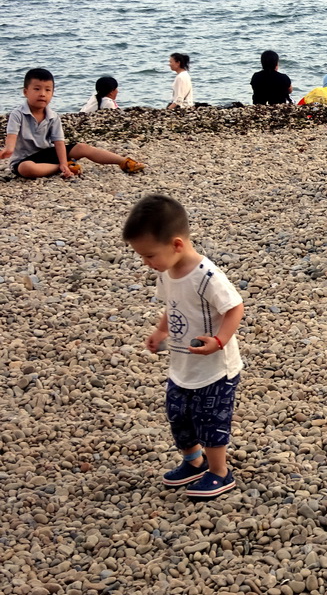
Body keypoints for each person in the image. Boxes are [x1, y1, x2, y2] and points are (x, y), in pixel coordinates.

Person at [122, 194, 244, 501]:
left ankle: (219, 472)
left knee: (211, 420)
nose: (146, 263)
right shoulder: (167, 272)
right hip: (183, 365)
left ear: (177, 244)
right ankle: (194, 463)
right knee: (179, 415)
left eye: (149, 256)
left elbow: (234, 307)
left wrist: (219, 341)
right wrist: (161, 330)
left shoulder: (207, 277)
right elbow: (171, 304)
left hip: (216, 369)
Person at [2, 68, 145, 178]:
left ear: (52, 93)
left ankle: (125, 162)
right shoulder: (18, 114)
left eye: (47, 90)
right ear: (25, 92)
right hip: (24, 160)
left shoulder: (53, 116)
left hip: (48, 153)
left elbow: (58, 142)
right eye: (37, 89)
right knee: (27, 169)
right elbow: (11, 138)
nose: (42, 94)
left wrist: (64, 160)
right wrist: (8, 150)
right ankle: (61, 167)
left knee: (82, 147)